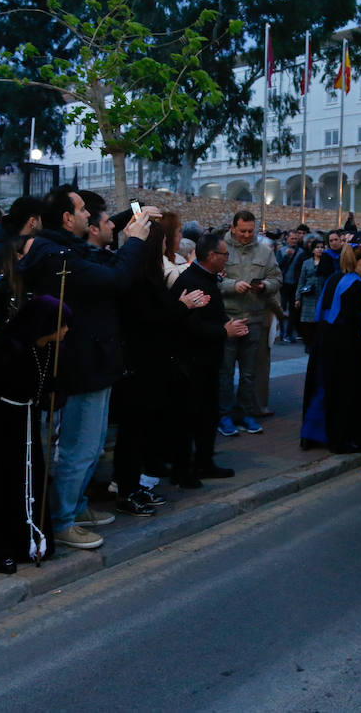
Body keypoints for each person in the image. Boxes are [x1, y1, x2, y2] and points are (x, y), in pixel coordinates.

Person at [20, 186, 154, 550]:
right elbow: (114, 279)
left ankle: (76, 508)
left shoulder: (69, 248)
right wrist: (135, 243)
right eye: (81, 210)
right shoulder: (56, 255)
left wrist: (134, 220)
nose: (88, 217)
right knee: (80, 446)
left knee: (91, 445)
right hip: (82, 361)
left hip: (96, 357)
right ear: (67, 218)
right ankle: (63, 520)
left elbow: (104, 259)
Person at [113, 218, 209, 513]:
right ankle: (127, 489)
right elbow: (148, 319)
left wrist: (178, 304)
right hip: (141, 364)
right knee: (133, 432)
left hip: (150, 362)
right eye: (167, 239)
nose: (171, 243)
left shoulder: (147, 272)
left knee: (141, 430)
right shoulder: (140, 275)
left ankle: (134, 486)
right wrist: (183, 306)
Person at [0, 295, 70, 571]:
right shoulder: (10, 347)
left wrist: (51, 391)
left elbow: (41, 386)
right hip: (4, 423)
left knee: (31, 480)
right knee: (6, 484)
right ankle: (2, 547)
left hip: (27, 419)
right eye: (62, 325)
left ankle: (32, 537)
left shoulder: (46, 348)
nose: (66, 330)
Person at [170, 233, 249, 486]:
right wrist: (224, 331)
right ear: (212, 256)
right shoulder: (191, 280)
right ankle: (183, 471)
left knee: (207, 416)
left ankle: (204, 463)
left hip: (207, 362)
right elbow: (190, 325)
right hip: (192, 364)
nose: (228, 258)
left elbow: (211, 313)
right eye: (225, 254)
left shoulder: (206, 278)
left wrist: (227, 323)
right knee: (189, 419)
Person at [300, 244, 361, 452]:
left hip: (323, 338)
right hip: (344, 343)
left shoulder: (333, 278)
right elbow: (356, 318)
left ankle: (309, 435)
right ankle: (338, 440)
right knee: (342, 391)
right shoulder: (357, 284)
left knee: (321, 386)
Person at [217, 210, 282, 434]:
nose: (246, 235)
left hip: (254, 318)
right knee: (225, 372)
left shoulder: (264, 250)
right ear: (233, 227)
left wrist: (265, 286)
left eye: (251, 231)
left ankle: (245, 413)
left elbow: (277, 278)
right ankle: (224, 415)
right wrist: (231, 286)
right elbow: (211, 278)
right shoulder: (220, 248)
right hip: (227, 318)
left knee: (249, 372)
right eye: (242, 231)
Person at [295, 238, 327, 352]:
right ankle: (308, 343)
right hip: (308, 294)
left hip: (321, 293)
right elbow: (301, 280)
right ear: (313, 249)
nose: (320, 250)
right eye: (317, 247)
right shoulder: (306, 263)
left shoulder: (326, 262)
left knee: (318, 321)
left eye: (322, 247)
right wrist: (297, 297)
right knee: (307, 322)